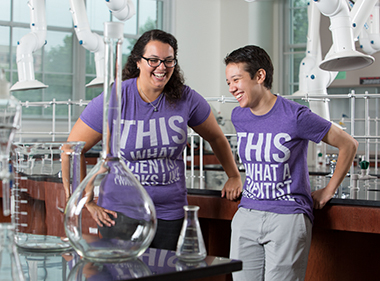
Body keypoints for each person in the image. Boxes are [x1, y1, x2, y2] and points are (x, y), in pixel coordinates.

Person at [66, 29, 242, 251]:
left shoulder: (185, 97)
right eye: (153, 60)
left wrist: (234, 175)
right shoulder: (117, 97)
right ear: (138, 62)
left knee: (164, 273)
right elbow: (71, 149)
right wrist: (83, 201)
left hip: (170, 212)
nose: (162, 67)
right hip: (120, 213)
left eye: (168, 61)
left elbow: (216, 136)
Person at [222, 45, 358, 280]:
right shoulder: (239, 116)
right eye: (228, 82)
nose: (232, 88)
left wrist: (328, 190)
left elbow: (348, 144)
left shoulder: (295, 116)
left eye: (236, 80)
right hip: (247, 215)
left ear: (260, 76)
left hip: (287, 217)